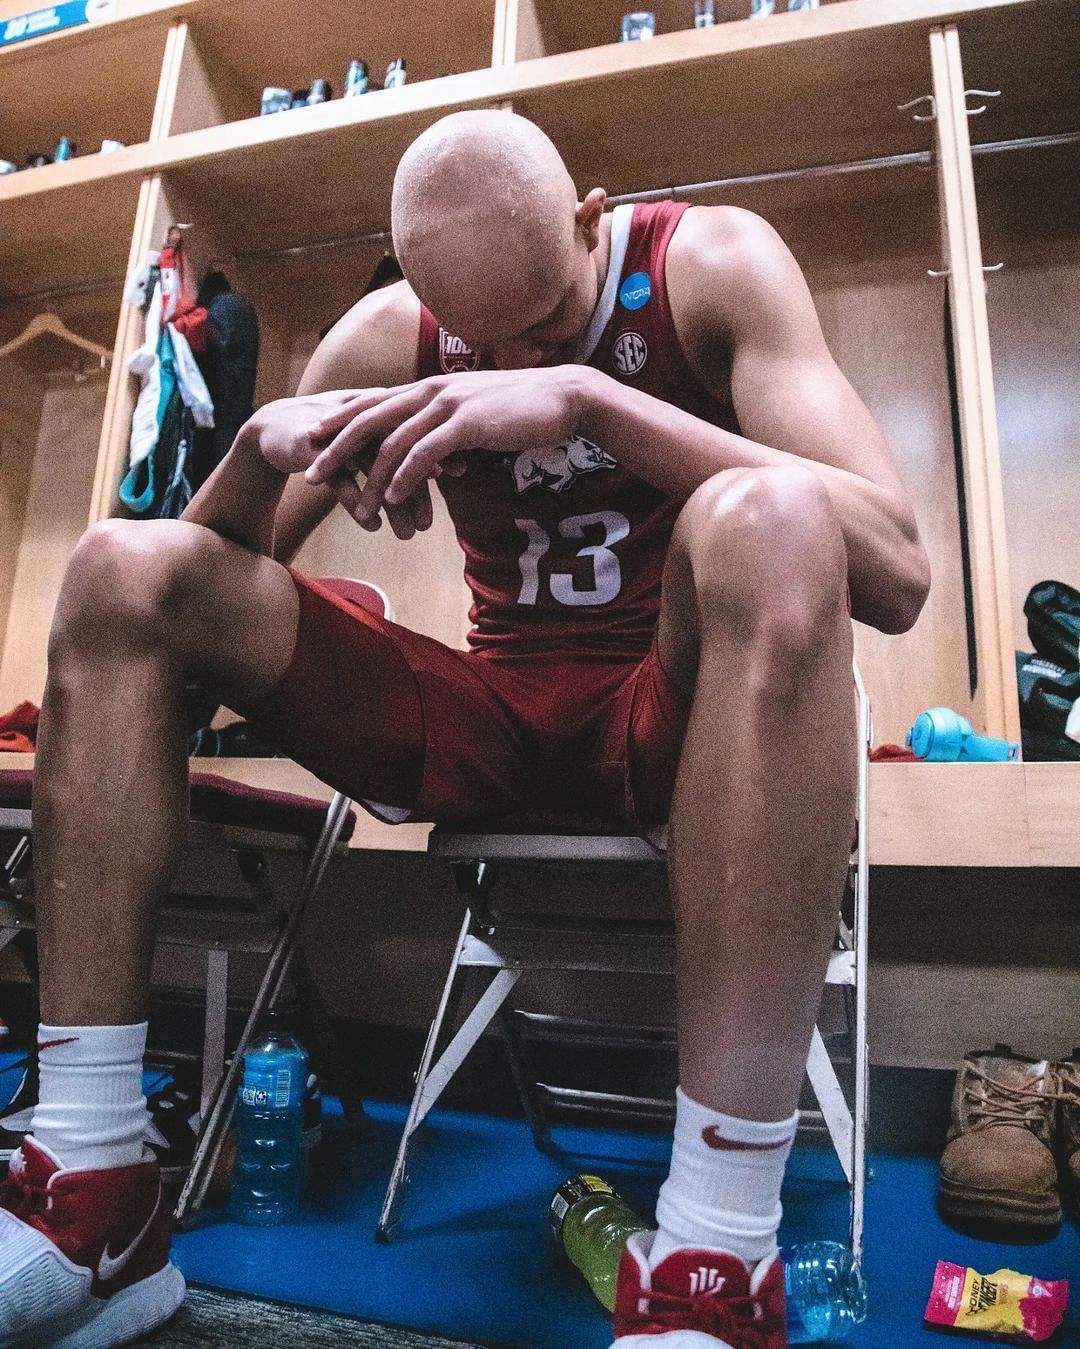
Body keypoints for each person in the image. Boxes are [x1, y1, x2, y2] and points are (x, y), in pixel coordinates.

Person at [0, 110, 929, 1348]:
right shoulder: (389, 336)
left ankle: (713, 1255)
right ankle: (96, 1185)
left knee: (771, 514)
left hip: (669, 706)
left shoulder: (712, 261)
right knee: (119, 565)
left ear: (591, 218)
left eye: (545, 319)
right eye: (486, 342)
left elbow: (896, 568)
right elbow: (193, 593)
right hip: (487, 719)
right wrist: (258, 458)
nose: (512, 356)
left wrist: (589, 396)